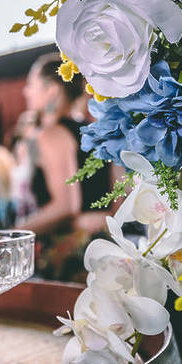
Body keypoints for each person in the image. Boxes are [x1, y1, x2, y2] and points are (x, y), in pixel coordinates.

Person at [17, 53, 114, 279]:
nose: (26, 91)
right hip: (105, 244)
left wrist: (17, 232)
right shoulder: (96, 130)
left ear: (51, 90)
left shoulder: (52, 134)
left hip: (73, 257)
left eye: (31, 84)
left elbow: (65, 206)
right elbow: (121, 191)